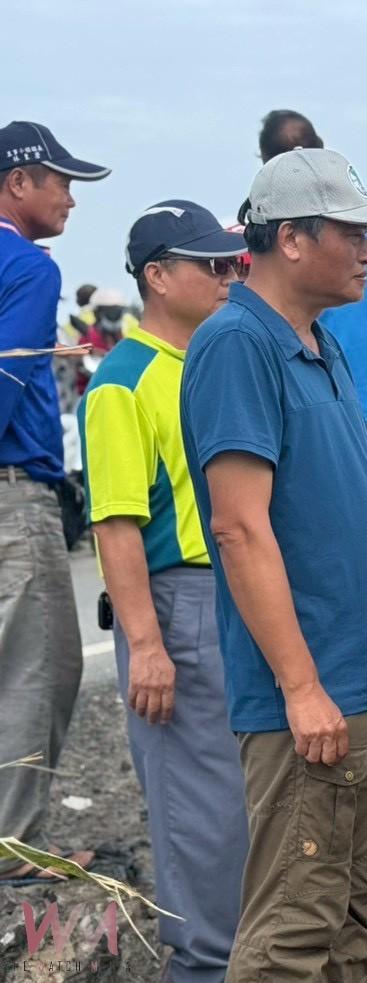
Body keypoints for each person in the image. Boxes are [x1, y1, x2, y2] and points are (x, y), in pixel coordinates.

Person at [179, 148, 367, 982]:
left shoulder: (319, 342)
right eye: (350, 233)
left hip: (362, 689)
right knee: (292, 930)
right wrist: (302, 685)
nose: (366, 252)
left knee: (353, 918)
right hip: (310, 698)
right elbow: (239, 528)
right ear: (289, 238)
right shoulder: (237, 343)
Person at [80, 200, 250, 983]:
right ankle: (206, 967)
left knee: (242, 802)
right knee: (201, 814)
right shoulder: (124, 380)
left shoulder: (210, 361)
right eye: (208, 264)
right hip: (181, 602)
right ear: (156, 275)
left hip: (236, 594)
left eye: (230, 262)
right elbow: (116, 523)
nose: (227, 276)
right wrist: (146, 644)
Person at [0, 120, 108, 884]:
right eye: (61, 182)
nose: (71, 198)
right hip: (14, 490)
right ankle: (12, 848)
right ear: (18, 182)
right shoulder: (31, 268)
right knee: (38, 669)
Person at [257, 109, 367, 468]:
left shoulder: (262, 228)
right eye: (353, 236)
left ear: (264, 163)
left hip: (333, 410)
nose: (366, 254)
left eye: (362, 235)